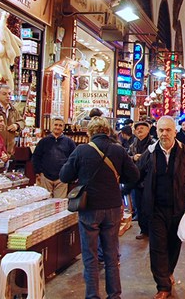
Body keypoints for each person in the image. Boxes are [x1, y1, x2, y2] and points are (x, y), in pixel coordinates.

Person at [59, 116, 140, 299]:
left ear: (90, 133)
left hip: (89, 208)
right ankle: (114, 295)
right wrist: (119, 185)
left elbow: (64, 176)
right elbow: (134, 176)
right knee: (112, 254)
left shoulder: (81, 150)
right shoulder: (118, 151)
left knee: (90, 255)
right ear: (108, 132)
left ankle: (93, 295)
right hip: (112, 206)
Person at [135, 116, 185, 299]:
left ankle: (168, 271)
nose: (164, 134)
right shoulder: (149, 153)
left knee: (173, 244)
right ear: (157, 132)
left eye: (168, 130)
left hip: (178, 208)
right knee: (157, 246)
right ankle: (162, 285)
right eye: (161, 130)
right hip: (155, 209)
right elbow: (136, 175)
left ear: (175, 131)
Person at [32, 117, 76, 198]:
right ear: (51, 126)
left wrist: (69, 173)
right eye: (55, 125)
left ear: (63, 127)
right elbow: (36, 157)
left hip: (62, 179)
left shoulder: (69, 142)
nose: (57, 127)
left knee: (59, 204)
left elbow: (74, 159)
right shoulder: (44, 141)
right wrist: (38, 172)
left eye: (60, 125)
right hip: (45, 177)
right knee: (45, 203)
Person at [128, 120, 157, 240]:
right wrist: (133, 158)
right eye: (137, 128)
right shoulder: (132, 145)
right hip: (136, 180)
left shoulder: (154, 144)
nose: (139, 130)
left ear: (148, 130)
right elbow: (126, 158)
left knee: (150, 206)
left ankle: (153, 230)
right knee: (139, 206)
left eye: (142, 128)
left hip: (150, 180)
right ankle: (143, 230)